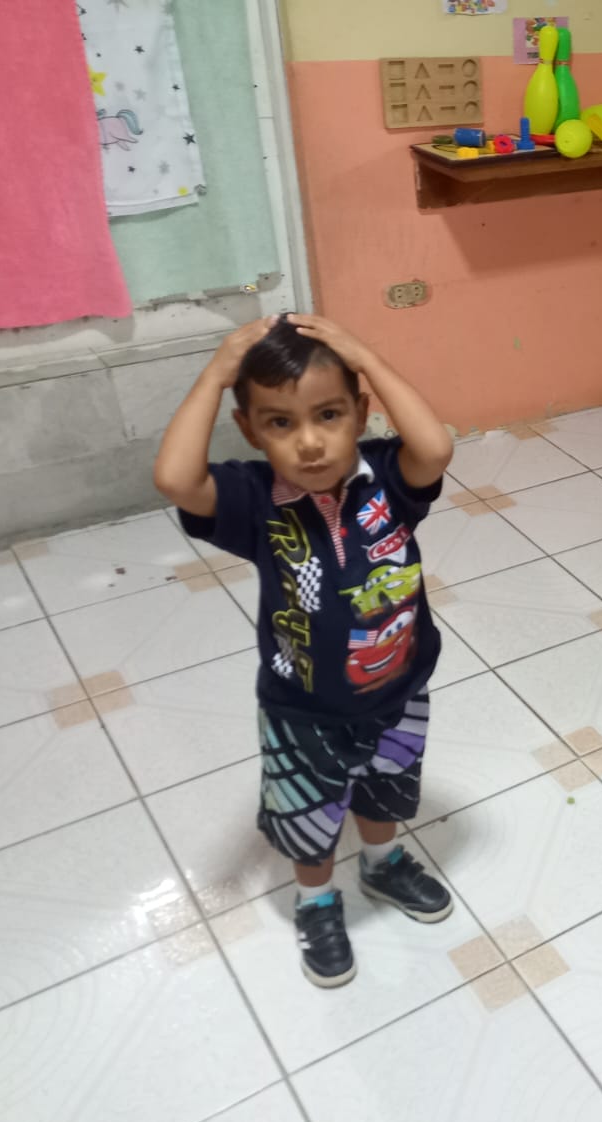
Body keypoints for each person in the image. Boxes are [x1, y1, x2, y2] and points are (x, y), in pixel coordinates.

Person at [153, 313, 457, 988]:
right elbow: (175, 479)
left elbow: (435, 446)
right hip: (302, 709)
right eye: (280, 423)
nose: (311, 442)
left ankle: (382, 865)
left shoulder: (389, 476)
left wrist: (364, 354)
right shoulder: (253, 498)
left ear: (361, 413)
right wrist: (216, 373)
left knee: (385, 793)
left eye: (329, 415)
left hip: (399, 688)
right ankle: (315, 900)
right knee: (309, 815)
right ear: (250, 430)